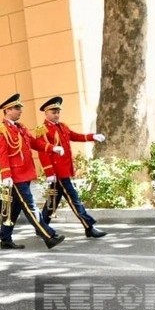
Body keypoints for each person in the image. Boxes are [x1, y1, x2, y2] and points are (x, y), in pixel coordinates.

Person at [0, 94, 65, 250]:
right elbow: (2, 154)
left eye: (20, 108)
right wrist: (6, 175)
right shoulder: (2, 130)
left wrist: (52, 148)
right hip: (16, 177)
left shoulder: (20, 127)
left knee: (14, 209)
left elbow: (34, 142)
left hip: (25, 173)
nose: (20, 111)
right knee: (31, 206)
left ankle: (5, 239)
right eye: (17, 108)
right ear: (8, 110)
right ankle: (49, 235)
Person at [35, 96, 107, 238]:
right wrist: (49, 171)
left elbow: (75, 136)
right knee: (74, 199)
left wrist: (92, 136)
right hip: (57, 172)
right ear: (46, 113)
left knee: (53, 199)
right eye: (53, 112)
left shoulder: (62, 126)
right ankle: (89, 227)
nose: (56, 114)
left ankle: (41, 226)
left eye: (58, 112)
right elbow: (43, 152)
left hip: (65, 169)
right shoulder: (42, 130)